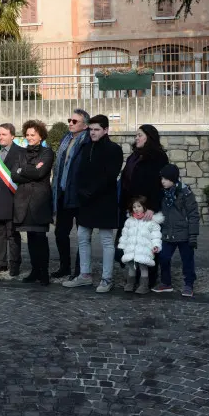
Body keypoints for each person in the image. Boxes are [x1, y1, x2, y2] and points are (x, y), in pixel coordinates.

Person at [63, 115, 123, 293]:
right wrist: (81, 192)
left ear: (106, 130)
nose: (93, 133)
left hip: (104, 200)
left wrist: (91, 191)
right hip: (85, 201)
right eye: (91, 129)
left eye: (97, 129)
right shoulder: (85, 147)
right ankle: (85, 275)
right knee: (82, 237)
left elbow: (110, 175)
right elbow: (78, 172)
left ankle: (107, 278)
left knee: (106, 240)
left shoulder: (114, 149)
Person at [118, 124, 169, 288]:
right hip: (132, 206)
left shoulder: (159, 157)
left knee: (146, 243)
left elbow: (159, 185)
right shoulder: (134, 156)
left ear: (149, 137)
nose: (136, 138)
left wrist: (152, 206)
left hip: (147, 207)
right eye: (136, 135)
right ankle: (133, 276)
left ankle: (148, 279)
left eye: (140, 135)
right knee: (132, 241)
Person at [12, 120, 54, 286]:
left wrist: (23, 170)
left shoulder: (47, 152)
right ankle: (34, 270)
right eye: (27, 135)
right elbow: (14, 174)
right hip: (23, 200)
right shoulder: (21, 153)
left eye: (33, 135)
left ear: (40, 136)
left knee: (40, 237)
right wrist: (29, 170)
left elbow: (40, 173)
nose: (29, 137)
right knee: (30, 237)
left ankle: (44, 272)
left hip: (39, 201)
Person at [51, 109, 90, 279]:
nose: (71, 123)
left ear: (85, 125)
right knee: (60, 233)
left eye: (75, 121)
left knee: (82, 235)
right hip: (62, 192)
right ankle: (64, 266)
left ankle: (80, 270)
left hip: (79, 195)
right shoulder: (65, 139)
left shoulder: (88, 140)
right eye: (70, 120)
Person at [153, 164, 200, 298]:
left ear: (173, 179)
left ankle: (189, 284)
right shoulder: (162, 193)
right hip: (168, 232)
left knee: (187, 260)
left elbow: (193, 214)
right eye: (162, 178)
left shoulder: (185, 193)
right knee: (163, 257)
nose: (163, 181)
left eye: (166, 179)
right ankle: (166, 283)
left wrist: (193, 236)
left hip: (184, 234)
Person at [0, 123, 24, 276]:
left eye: (4, 134)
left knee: (12, 233)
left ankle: (14, 264)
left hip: (12, 198)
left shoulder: (21, 152)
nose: (1, 137)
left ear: (12, 136)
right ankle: (1, 263)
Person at [118, 196, 163, 294]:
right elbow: (125, 234)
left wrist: (156, 245)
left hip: (144, 250)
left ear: (145, 207)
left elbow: (156, 236)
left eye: (139, 206)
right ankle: (130, 284)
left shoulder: (151, 222)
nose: (136, 209)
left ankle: (144, 285)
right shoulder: (129, 221)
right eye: (134, 207)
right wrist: (122, 246)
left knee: (143, 267)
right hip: (131, 249)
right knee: (131, 267)